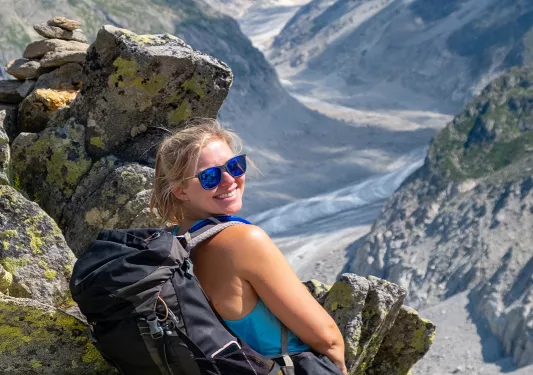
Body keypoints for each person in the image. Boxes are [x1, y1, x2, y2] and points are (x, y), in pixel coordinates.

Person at [150, 118, 348, 375]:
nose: (229, 180)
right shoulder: (243, 241)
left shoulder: (171, 247)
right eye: (209, 177)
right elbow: (327, 338)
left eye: (235, 166)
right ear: (180, 191)